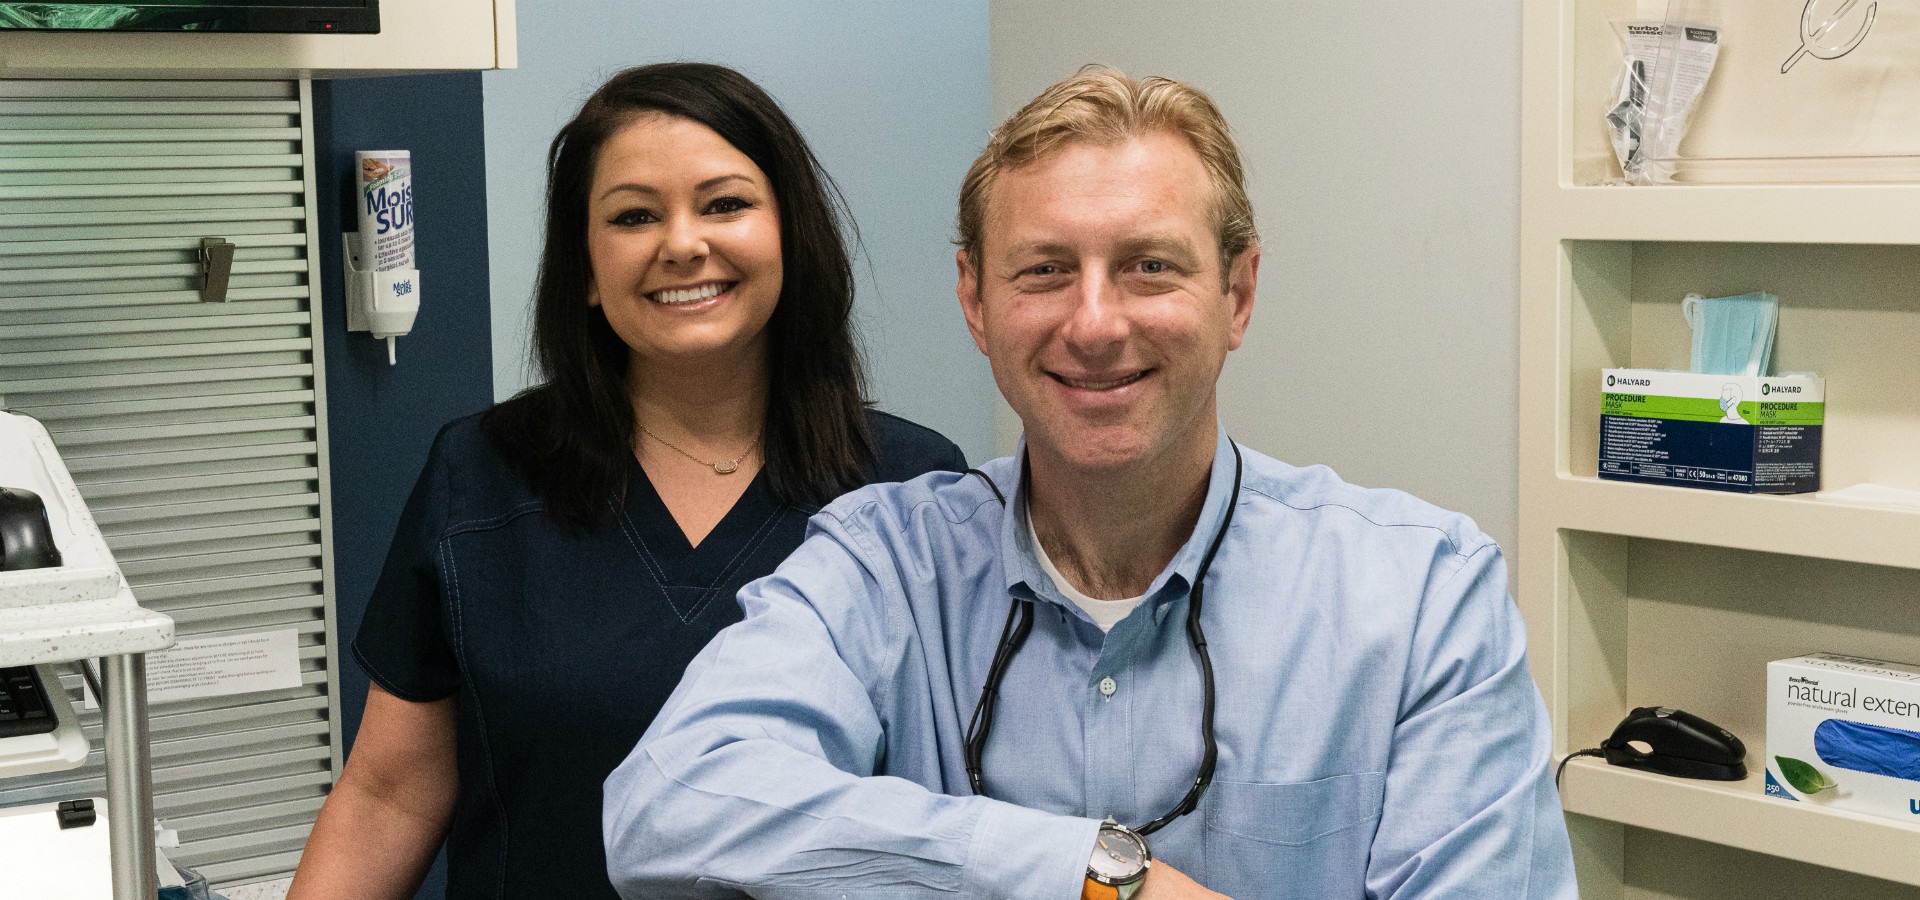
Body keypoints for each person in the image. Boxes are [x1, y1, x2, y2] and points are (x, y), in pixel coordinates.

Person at [605, 67, 1577, 899]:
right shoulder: (880, 566)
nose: (1096, 322)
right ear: (976, 302)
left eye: (1150, 266)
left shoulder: (1419, 600)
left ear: (1237, 295)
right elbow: (668, 803)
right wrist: (1091, 875)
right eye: (1044, 272)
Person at [287, 63, 966, 900]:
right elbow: (388, 795)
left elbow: (958, 810)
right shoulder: (482, 478)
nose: (682, 243)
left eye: (724, 204)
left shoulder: (912, 492)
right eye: (634, 216)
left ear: (791, 233)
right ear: (584, 267)